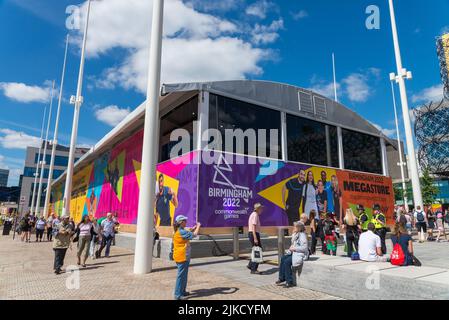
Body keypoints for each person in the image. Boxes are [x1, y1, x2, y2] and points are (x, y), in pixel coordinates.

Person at [172, 215, 201, 300]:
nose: (186, 222)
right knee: (181, 276)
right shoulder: (181, 232)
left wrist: (192, 228)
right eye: (185, 221)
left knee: (184, 275)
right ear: (181, 222)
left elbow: (187, 233)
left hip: (182, 256)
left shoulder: (179, 231)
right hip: (182, 256)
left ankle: (182, 291)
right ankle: (177, 295)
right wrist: (198, 226)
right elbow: (194, 235)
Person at [276, 221, 309, 288]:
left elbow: (304, 248)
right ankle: (282, 278)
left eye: (295, 226)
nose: (294, 227)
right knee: (283, 258)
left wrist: (294, 248)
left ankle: (289, 281)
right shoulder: (296, 235)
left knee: (287, 262)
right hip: (294, 253)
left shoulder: (302, 235)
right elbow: (294, 245)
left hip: (300, 253)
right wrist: (291, 249)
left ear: (299, 228)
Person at [248, 203, 263, 274]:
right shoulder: (255, 215)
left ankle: (250, 265)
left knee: (255, 250)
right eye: (261, 208)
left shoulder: (253, 214)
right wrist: (255, 238)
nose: (262, 210)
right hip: (254, 234)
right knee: (258, 251)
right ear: (257, 209)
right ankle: (254, 269)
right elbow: (253, 227)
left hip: (253, 233)